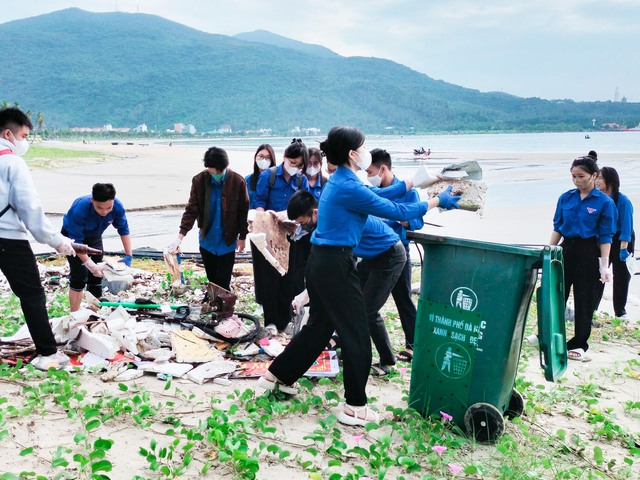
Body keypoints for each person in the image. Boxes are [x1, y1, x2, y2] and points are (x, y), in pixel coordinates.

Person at [258, 126, 460, 426]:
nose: (367, 150)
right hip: (335, 266)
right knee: (356, 332)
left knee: (319, 328)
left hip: (321, 262)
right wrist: (436, 202)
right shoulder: (347, 186)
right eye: (363, 146)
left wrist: (411, 182)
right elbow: (391, 209)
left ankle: (278, 376)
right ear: (353, 154)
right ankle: (355, 406)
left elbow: (376, 193)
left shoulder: (341, 179)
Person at [287, 191, 406, 375]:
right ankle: (343, 345)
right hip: (369, 257)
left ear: (316, 213)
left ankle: (387, 361)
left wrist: (307, 295)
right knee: (350, 305)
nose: (305, 227)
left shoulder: (338, 223)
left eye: (304, 223)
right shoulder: (325, 223)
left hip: (390, 255)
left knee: (368, 311)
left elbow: (333, 268)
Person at [0, 107, 76, 370]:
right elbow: (30, 209)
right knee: (32, 294)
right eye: (23, 135)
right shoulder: (12, 162)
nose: (25, 142)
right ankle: (47, 353)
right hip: (8, 238)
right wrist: (56, 240)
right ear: (9, 134)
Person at [549, 156, 616, 361]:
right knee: (556, 294)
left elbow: (606, 236)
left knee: (584, 298)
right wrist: (549, 250)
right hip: (565, 249)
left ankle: (579, 343)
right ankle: (552, 337)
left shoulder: (604, 202)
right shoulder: (566, 198)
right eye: (573, 176)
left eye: (581, 176)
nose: (577, 180)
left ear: (594, 176)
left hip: (588, 252)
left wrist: (604, 266)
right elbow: (558, 227)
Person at [365, 148, 423, 362]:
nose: (368, 177)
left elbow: (417, 221)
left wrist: (401, 218)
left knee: (403, 298)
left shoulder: (408, 192)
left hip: (397, 251)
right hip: (374, 252)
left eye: (370, 171)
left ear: (382, 169)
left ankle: (413, 344)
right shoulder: (372, 193)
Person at [168, 147, 249, 291]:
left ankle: (223, 307)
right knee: (212, 279)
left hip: (228, 240)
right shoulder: (199, 180)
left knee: (224, 281)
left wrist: (242, 237)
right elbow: (191, 210)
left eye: (218, 171)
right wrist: (180, 237)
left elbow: (243, 212)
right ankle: (215, 304)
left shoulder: (238, 182)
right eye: (211, 171)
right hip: (208, 240)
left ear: (225, 167)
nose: (215, 174)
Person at [252, 139, 310, 332]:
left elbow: (308, 206)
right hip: (268, 235)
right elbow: (258, 202)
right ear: (285, 158)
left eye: (299, 165)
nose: (295, 168)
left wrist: (293, 221)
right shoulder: (269, 176)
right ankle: (271, 320)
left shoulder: (301, 180)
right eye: (293, 163)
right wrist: (267, 218)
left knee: (289, 278)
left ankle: (284, 320)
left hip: (291, 235)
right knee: (268, 279)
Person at [62, 183, 132, 312]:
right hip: (72, 238)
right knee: (80, 275)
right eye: (100, 208)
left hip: (94, 236)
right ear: (92, 200)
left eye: (108, 208)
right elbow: (77, 241)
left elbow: (123, 229)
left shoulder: (117, 206)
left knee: (97, 273)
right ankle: (75, 314)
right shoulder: (80, 208)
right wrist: (89, 263)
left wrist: (129, 255)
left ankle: (95, 308)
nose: (104, 212)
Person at [595, 166, 635, 318]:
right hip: (605, 238)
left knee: (621, 275)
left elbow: (627, 226)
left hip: (622, 239)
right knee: (599, 272)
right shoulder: (598, 198)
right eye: (596, 178)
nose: (596, 181)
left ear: (609, 180)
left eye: (600, 178)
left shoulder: (622, 200)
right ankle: (592, 308)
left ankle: (620, 311)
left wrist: (623, 248)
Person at [245, 144, 276, 209]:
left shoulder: (277, 179)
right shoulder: (248, 180)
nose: (264, 160)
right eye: (261, 156)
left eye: (268, 157)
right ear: (255, 158)